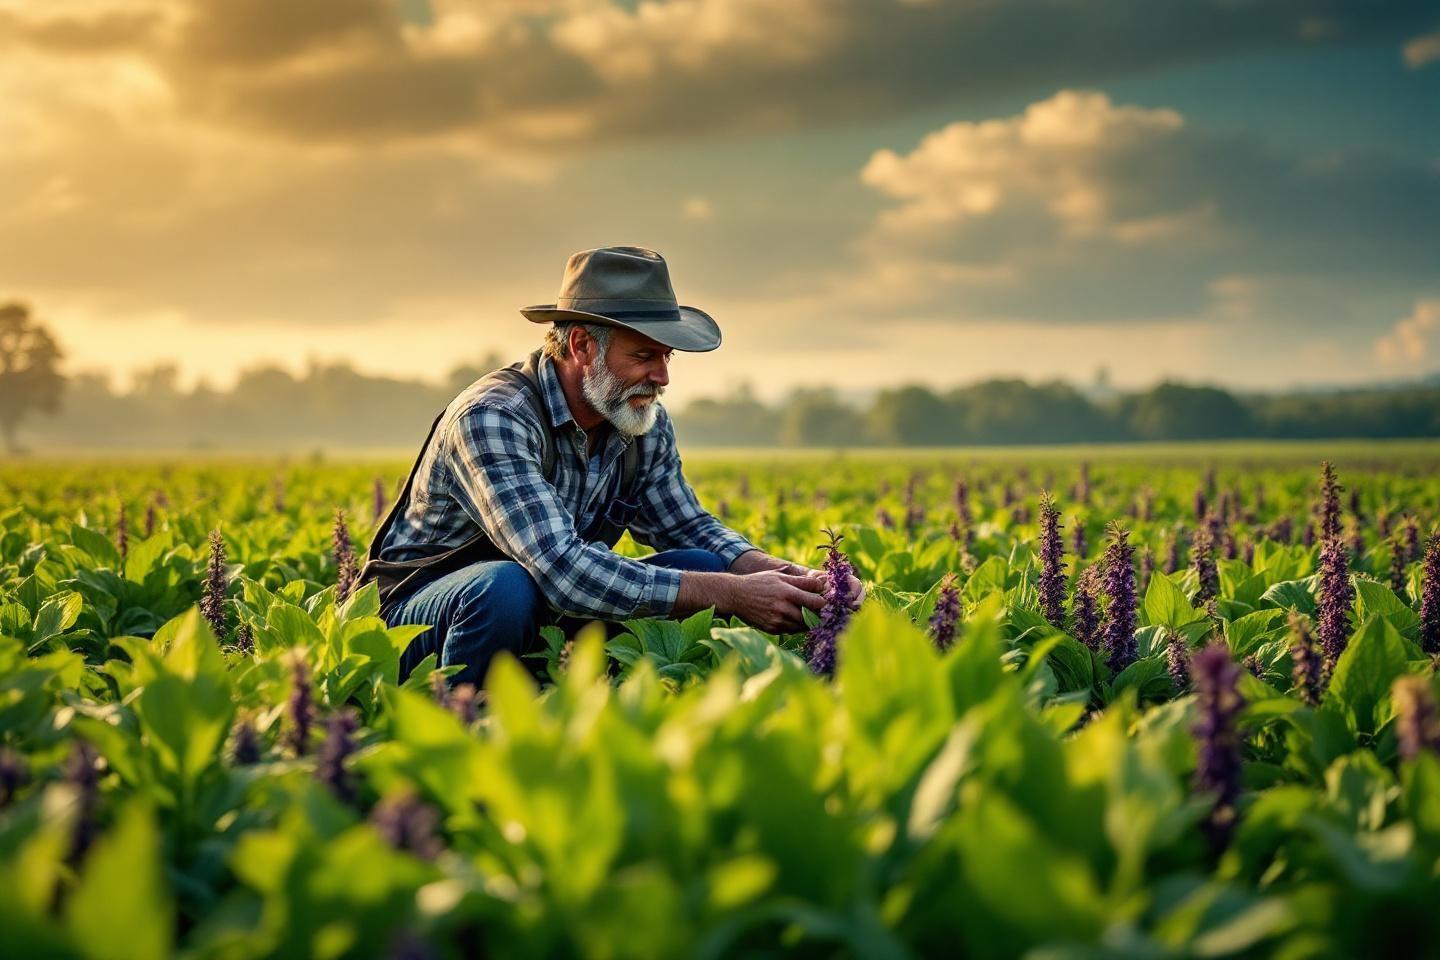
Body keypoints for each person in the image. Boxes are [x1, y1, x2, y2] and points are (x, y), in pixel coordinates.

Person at [359, 245, 862, 687]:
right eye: (644, 355)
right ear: (581, 345)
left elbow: (686, 524)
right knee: (503, 588)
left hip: (546, 612)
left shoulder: (637, 418)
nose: (661, 376)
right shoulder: (494, 417)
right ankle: (467, 719)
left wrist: (788, 576)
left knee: (704, 565)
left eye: (667, 357)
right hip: (421, 622)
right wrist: (735, 594)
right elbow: (562, 570)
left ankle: (591, 705)